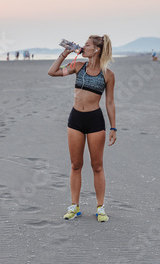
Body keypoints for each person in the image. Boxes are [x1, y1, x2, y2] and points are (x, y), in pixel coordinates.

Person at [48, 35, 116, 222]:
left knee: (97, 166)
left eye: (87, 45)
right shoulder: (78, 66)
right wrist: (65, 53)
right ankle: (74, 206)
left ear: (96, 50)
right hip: (76, 119)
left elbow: (109, 102)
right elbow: (52, 72)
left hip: (95, 121)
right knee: (76, 165)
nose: (82, 47)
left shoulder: (108, 75)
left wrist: (113, 128)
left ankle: (100, 208)